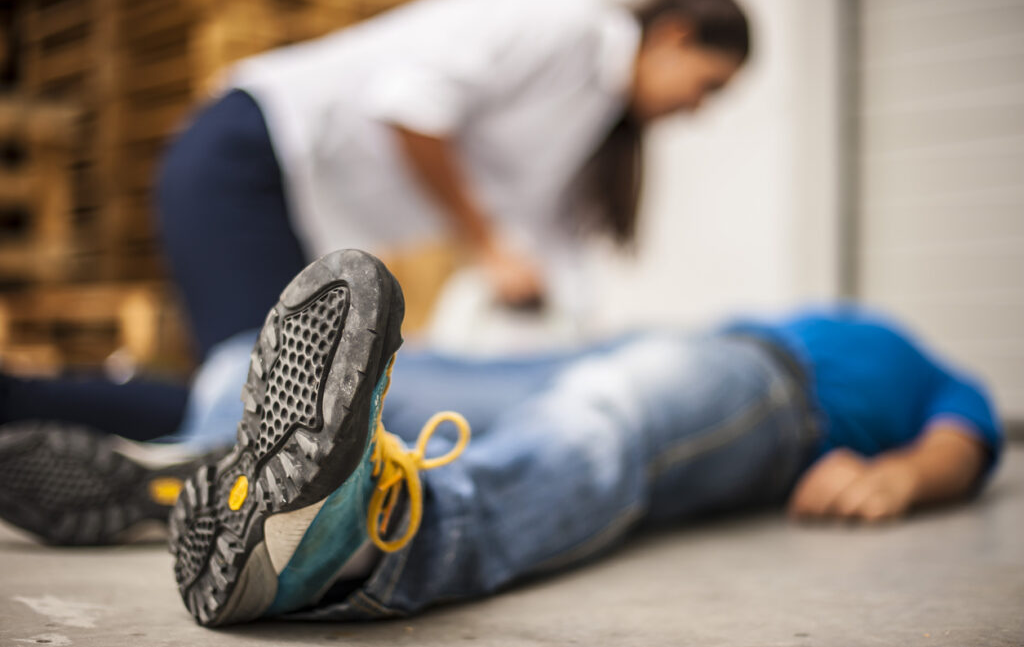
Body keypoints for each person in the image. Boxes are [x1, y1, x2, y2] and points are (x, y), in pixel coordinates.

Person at [0, 250, 1002, 625]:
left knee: (606, 420)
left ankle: (369, 535)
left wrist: (902, 474)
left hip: (767, 394)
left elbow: (969, 432)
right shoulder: (788, 310)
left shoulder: (919, 365)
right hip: (658, 345)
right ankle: (214, 469)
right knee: (235, 361)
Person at [0, 0, 751, 441]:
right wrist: (484, 240)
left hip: (295, 203)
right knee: (260, 413)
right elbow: (412, 107)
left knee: (259, 406)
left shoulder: (591, 120)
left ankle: (64, 411)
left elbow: (549, 250)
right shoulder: (560, 19)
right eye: (708, 84)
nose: (698, 109)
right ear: (675, 35)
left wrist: (591, 359)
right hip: (251, 150)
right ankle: (21, 403)